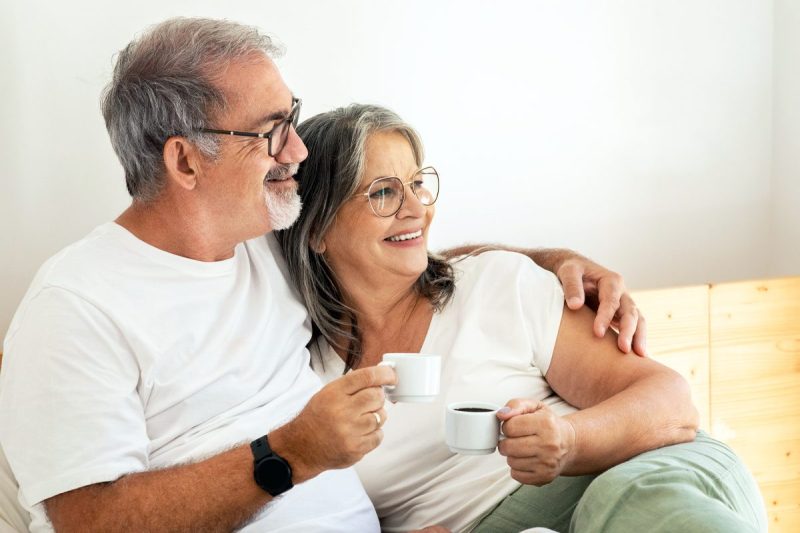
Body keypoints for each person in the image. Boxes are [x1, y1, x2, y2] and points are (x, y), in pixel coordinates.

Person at [0, 18, 644, 533]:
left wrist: (552, 262)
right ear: (186, 159)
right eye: (272, 131)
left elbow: (384, 236)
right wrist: (286, 455)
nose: (298, 151)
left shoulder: (262, 240)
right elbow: (86, 522)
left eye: (293, 117)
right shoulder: (76, 310)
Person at [275, 103, 769, 533]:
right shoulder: (299, 376)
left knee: (618, 503)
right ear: (317, 228)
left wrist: (569, 441)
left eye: (418, 184)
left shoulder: (495, 284)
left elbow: (672, 403)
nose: (415, 209)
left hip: (632, 474)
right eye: (383, 192)